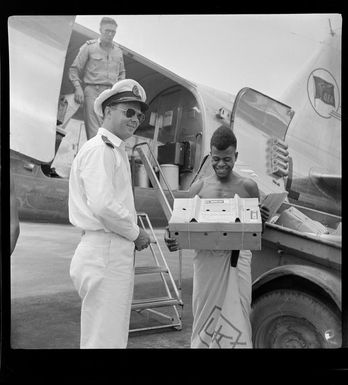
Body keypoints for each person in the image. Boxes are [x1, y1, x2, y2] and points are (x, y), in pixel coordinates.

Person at [165, 125, 269, 348]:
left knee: (238, 311)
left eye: (227, 159)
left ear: (236, 156)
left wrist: (263, 219)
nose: (221, 164)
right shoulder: (198, 188)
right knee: (205, 312)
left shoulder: (249, 187)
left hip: (237, 259)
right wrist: (172, 238)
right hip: (206, 261)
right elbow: (180, 227)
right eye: (216, 158)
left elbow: (257, 232)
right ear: (210, 155)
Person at [69, 78, 152, 348]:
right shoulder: (100, 150)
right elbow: (103, 205)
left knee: (107, 336)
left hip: (108, 250)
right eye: (129, 111)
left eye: (139, 115)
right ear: (107, 111)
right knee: (104, 340)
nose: (135, 119)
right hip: (104, 250)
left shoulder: (113, 150)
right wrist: (136, 232)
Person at [69, 16, 126, 140]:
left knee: (110, 132)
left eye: (113, 32)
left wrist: (118, 89)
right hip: (93, 92)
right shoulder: (89, 47)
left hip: (111, 95)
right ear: (100, 30)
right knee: (95, 134)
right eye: (107, 31)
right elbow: (74, 69)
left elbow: (122, 73)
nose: (110, 34)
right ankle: (96, 156)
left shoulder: (118, 52)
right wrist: (78, 88)